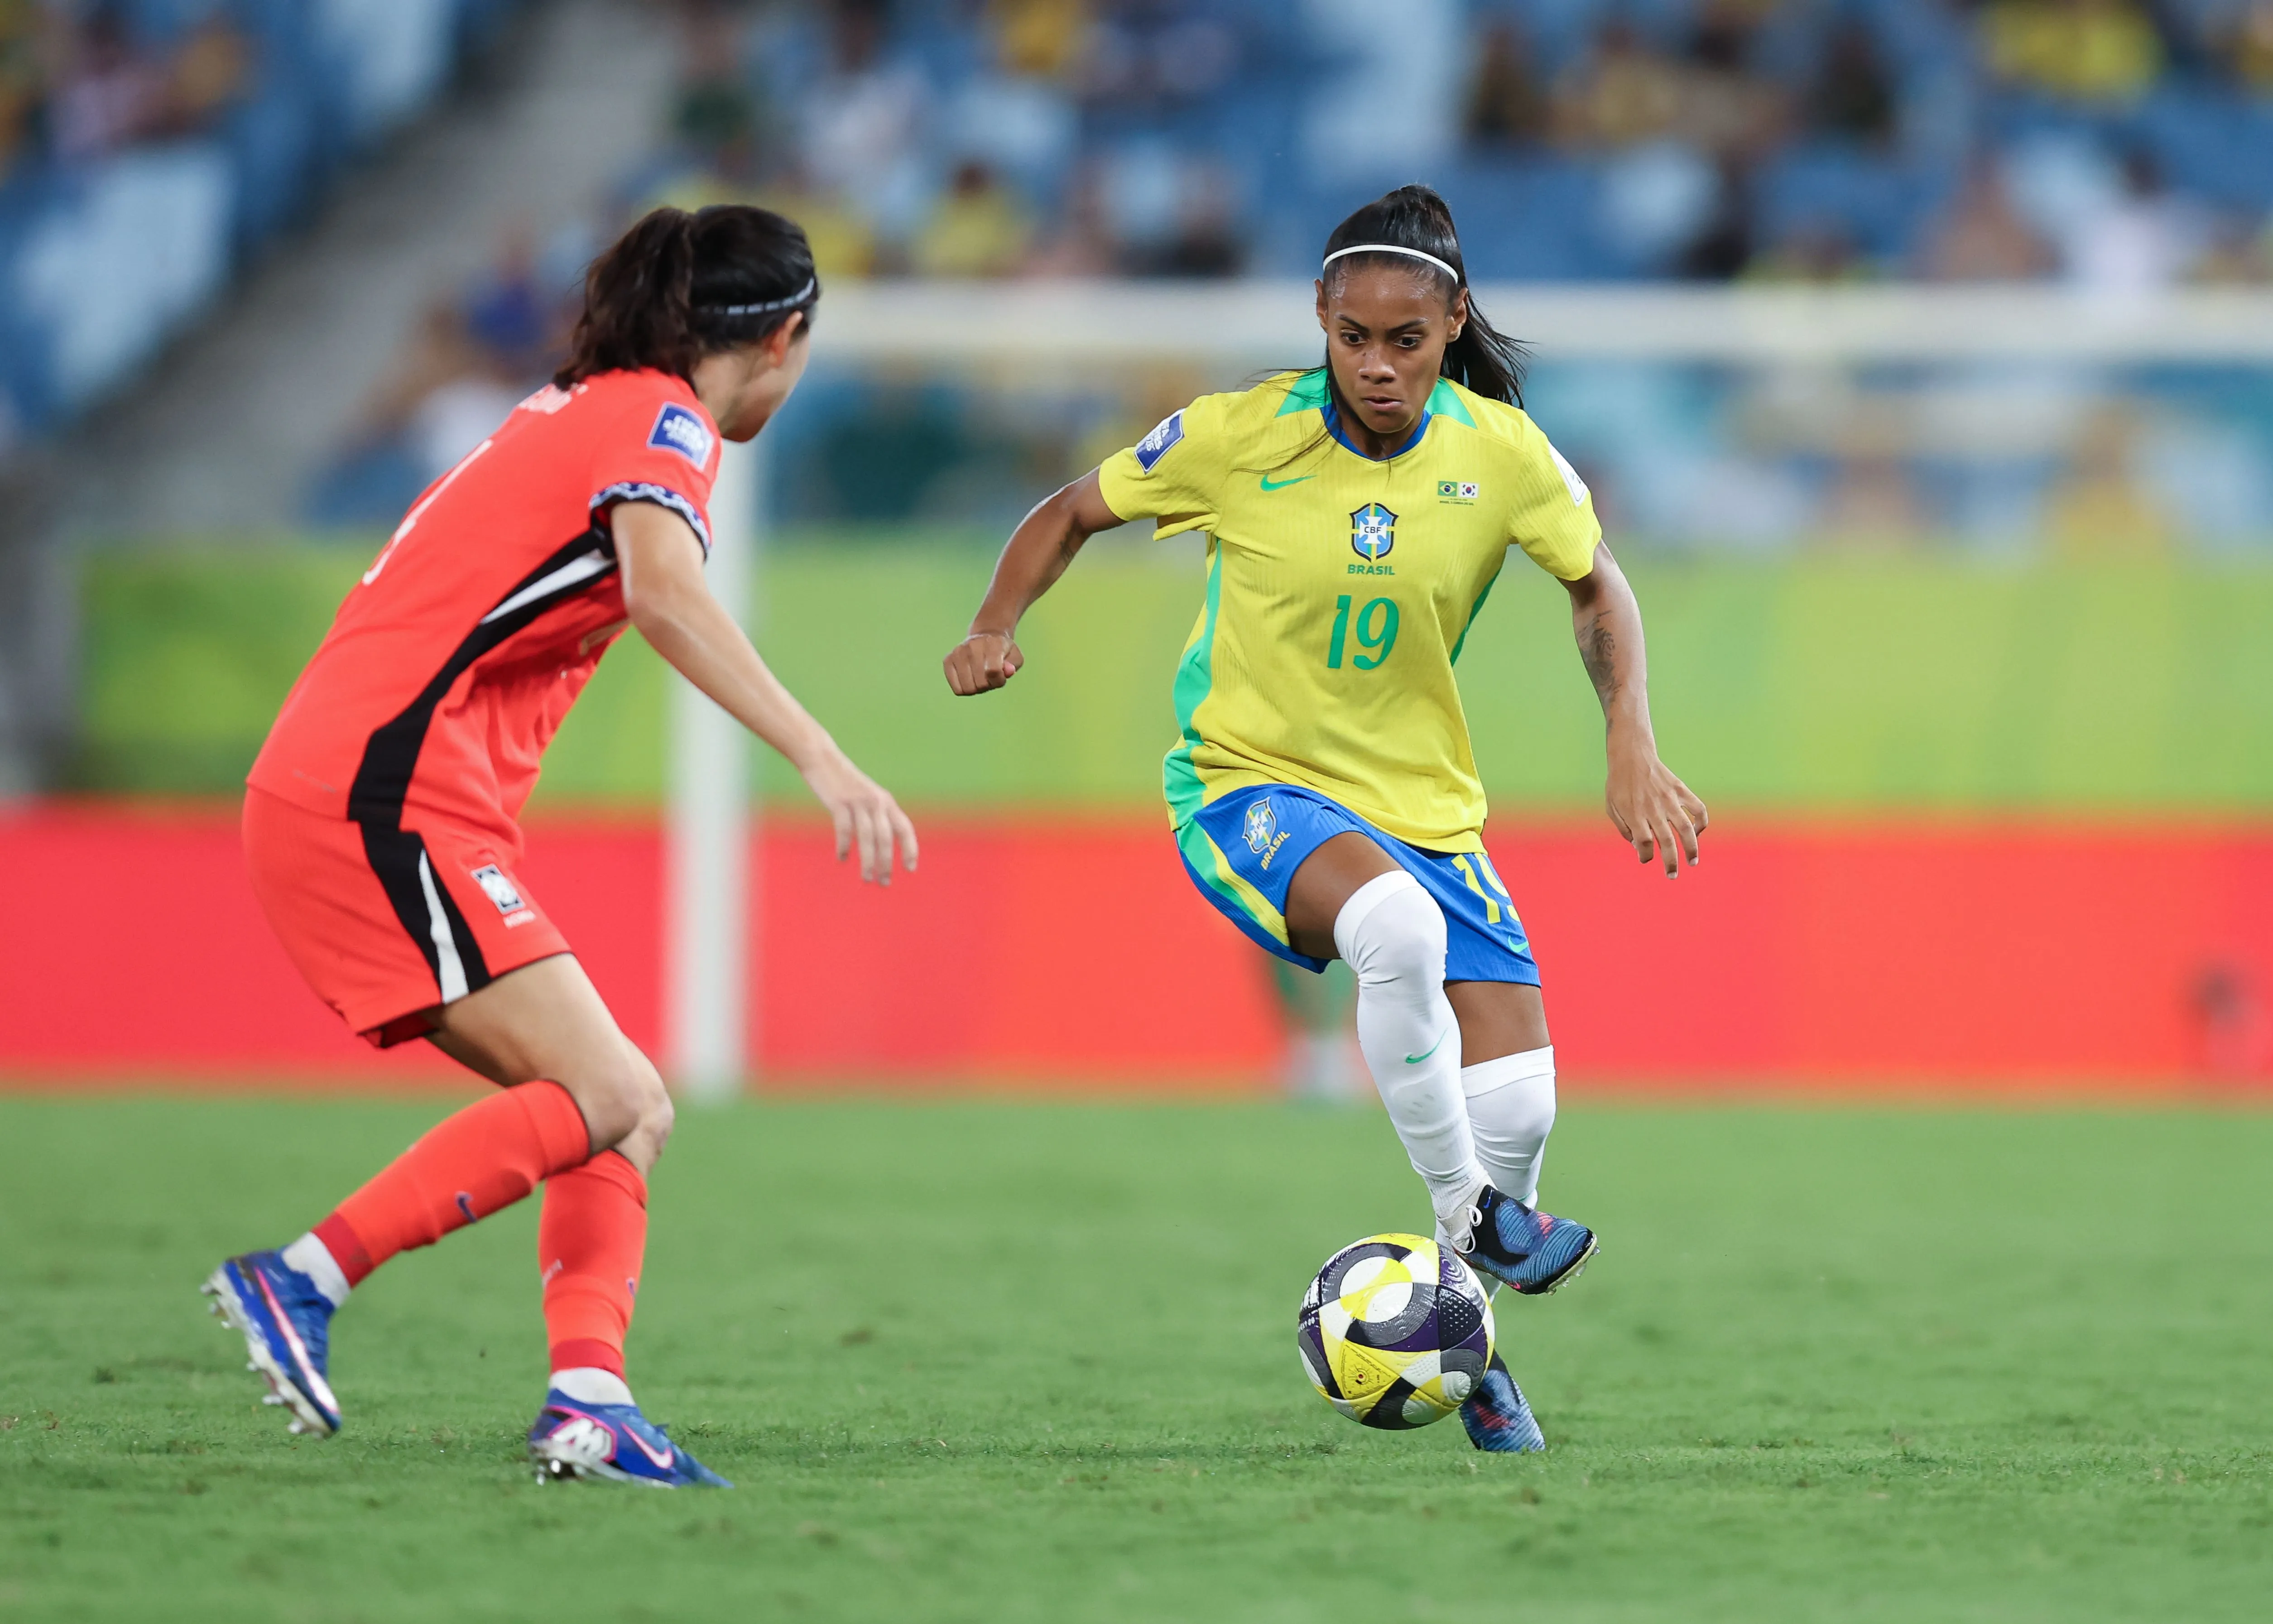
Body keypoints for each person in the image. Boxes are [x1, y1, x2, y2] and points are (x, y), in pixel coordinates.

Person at [942, 184, 1706, 1453]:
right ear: (1320, 319)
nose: (1378, 366)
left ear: (1453, 324)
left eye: (1406, 340)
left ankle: (1469, 1345)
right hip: (1248, 783)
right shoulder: (1238, 434)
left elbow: (1597, 583)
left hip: (1427, 808)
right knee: (1395, 931)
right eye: (1354, 338)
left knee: (1523, 1108)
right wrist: (993, 624)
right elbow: (1073, 508)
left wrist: (1631, 731)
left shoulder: (1505, 453)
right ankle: (1474, 1218)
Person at [206, 206, 916, 1489]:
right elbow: (662, 591)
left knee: (621, 1110)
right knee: (618, 1095)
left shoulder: (584, 404)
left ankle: (589, 1401)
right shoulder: (663, 422)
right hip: (380, 797)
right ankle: (300, 1280)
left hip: (360, 789)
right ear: (783, 340)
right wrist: (821, 753)